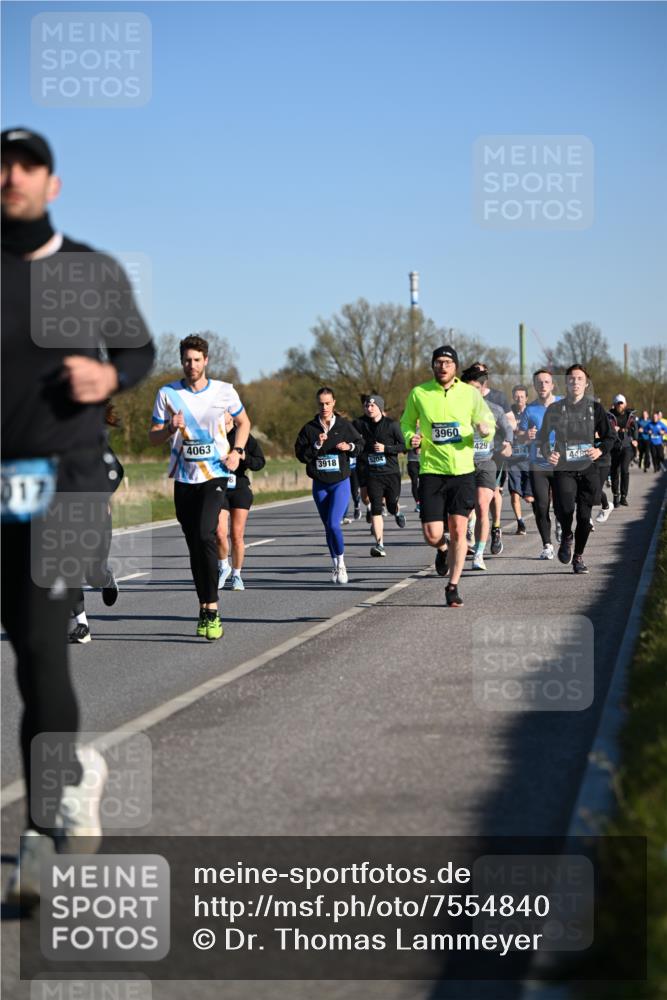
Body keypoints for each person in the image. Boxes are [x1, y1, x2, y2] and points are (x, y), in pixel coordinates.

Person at [1, 127, 154, 903]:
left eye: (28, 165)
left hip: (67, 481)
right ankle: (74, 775)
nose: (13, 176)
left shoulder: (86, 269)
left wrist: (108, 375)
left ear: (51, 184)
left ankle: (40, 833)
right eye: (3, 165)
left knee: (41, 647)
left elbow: (139, 352)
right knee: (25, 662)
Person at [149, 334, 250, 639]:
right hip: (184, 477)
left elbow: (244, 423)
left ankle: (214, 610)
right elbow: (152, 436)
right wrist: (169, 427)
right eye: (186, 360)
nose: (191, 365)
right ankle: (204, 606)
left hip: (215, 475)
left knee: (208, 533)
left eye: (196, 360)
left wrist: (238, 451)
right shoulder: (167, 393)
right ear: (181, 362)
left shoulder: (224, 391)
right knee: (195, 545)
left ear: (206, 360)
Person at [400, 346, 495, 607]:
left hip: (463, 471)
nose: (443, 366)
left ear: (455, 367)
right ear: (433, 366)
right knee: (432, 534)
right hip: (431, 470)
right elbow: (407, 423)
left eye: (448, 362)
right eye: (438, 362)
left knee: (459, 530)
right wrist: (412, 438)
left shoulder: (469, 394)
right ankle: (442, 550)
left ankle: (453, 586)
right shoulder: (419, 393)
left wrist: (485, 429)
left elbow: (487, 419)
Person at [540, 364, 615, 573]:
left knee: (584, 517)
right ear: (566, 383)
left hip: (588, 468)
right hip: (564, 468)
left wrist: (599, 451)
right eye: (571, 379)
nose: (575, 382)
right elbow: (542, 439)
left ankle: (579, 556)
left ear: (586, 383)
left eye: (579, 379)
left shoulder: (595, 409)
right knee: (564, 509)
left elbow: (611, 437)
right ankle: (566, 534)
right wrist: (549, 453)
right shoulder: (555, 409)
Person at [294, 386, 364, 584]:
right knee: (328, 526)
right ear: (317, 404)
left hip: (340, 482)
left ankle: (341, 563)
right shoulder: (309, 429)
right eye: (321, 404)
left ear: (334, 403)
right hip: (320, 483)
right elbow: (300, 454)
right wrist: (316, 445)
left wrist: (349, 447)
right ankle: (334, 564)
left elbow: (360, 445)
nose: (324, 407)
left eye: (328, 403)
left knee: (334, 523)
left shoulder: (344, 426)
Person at [460, 366, 513, 571]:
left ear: (483, 389)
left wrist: (508, 443)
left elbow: (508, 428)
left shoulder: (494, 409)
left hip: (485, 462)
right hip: (461, 464)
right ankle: (454, 544)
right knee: (462, 511)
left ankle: (479, 554)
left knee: (482, 506)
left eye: (475, 388)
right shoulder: (456, 408)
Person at [216, 410, 265, 591]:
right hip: (218, 488)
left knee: (236, 536)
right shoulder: (212, 435)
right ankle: (223, 567)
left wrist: (243, 457)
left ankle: (236, 575)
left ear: (232, 415)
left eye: (224, 412)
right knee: (219, 533)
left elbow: (260, 462)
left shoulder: (243, 436)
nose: (221, 415)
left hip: (239, 488)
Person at [353, 395, 406, 557]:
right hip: (373, 474)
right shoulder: (360, 424)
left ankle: (397, 512)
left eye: (372, 406)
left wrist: (386, 448)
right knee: (376, 508)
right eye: (366, 406)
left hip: (391, 473)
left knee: (390, 505)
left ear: (380, 408)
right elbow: (346, 433)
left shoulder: (392, 425)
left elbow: (404, 446)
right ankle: (379, 544)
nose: (369, 409)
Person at [518, 369, 563, 560]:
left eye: (546, 382)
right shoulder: (530, 410)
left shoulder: (563, 405)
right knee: (541, 506)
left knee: (563, 504)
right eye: (539, 383)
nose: (542, 385)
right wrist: (526, 436)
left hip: (561, 464)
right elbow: (519, 437)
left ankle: (561, 523)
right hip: (539, 465)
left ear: (552, 385)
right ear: (535, 386)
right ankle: (547, 545)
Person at [506, 384, 534, 535]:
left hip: (530, 459)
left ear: (527, 398)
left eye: (522, 396)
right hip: (513, 459)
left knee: (530, 498)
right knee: (514, 493)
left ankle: (541, 514)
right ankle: (520, 523)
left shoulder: (532, 412)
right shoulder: (508, 413)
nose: (519, 399)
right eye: (516, 396)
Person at [608, 394, 637, 507]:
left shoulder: (630, 416)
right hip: (614, 447)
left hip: (626, 446)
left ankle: (624, 496)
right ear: (614, 404)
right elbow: (606, 428)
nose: (620, 405)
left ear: (625, 404)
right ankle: (616, 495)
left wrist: (635, 439)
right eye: (618, 403)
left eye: (622, 403)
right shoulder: (609, 416)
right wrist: (613, 430)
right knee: (614, 471)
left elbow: (634, 428)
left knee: (625, 470)